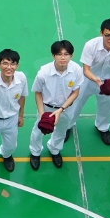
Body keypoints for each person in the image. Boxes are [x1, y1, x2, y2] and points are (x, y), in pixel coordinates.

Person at [29, 38, 84, 171]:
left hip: (66, 108)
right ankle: (35, 152)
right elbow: (38, 93)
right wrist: (42, 114)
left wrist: (61, 109)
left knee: (61, 131)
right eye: (59, 54)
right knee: (38, 131)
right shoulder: (43, 73)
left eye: (66, 54)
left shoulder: (76, 69)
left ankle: (55, 150)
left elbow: (76, 92)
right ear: (53, 55)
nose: (63, 57)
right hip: (47, 107)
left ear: (71, 56)